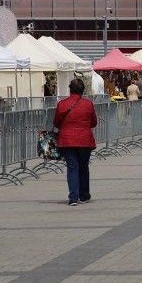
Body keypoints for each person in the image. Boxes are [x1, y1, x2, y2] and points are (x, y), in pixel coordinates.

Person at [54, 78, 97, 206]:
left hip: (67, 140)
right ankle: (84, 195)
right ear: (83, 90)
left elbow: (56, 123)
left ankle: (73, 197)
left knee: (72, 168)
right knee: (83, 167)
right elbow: (94, 122)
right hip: (84, 140)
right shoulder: (88, 104)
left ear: (70, 89)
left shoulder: (62, 104)